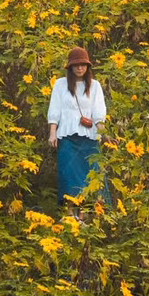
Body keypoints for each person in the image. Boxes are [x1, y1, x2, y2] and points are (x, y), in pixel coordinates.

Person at [47, 46, 108, 208]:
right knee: (68, 176)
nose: (80, 68)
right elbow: (55, 110)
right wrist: (52, 133)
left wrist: (106, 135)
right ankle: (69, 217)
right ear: (70, 67)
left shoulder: (95, 86)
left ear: (88, 67)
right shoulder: (60, 85)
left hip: (89, 140)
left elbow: (98, 114)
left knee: (89, 177)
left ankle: (85, 217)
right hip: (67, 138)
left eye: (83, 64)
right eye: (76, 65)